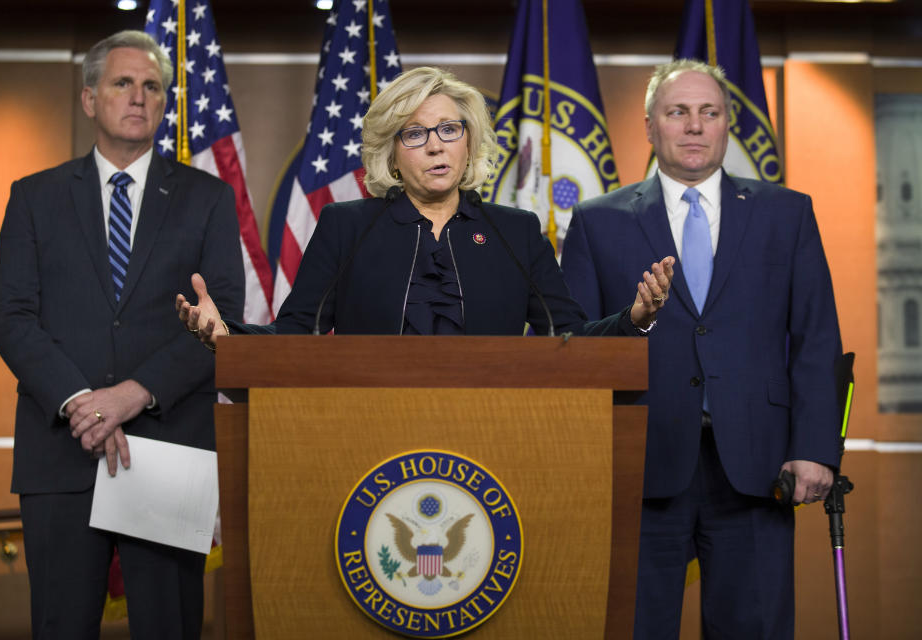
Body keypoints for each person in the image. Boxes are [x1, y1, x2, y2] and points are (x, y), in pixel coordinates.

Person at [561, 59, 843, 639]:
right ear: (649, 127)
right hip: (640, 465)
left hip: (760, 465)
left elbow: (816, 339)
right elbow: (573, 347)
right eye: (678, 112)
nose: (694, 126)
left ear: (726, 125)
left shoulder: (786, 213)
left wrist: (817, 448)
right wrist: (633, 322)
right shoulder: (597, 221)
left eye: (708, 113)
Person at [0, 30, 244, 639]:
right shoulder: (34, 198)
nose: (139, 97)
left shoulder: (208, 198)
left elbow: (222, 316)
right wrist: (81, 402)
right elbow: (11, 316)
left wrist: (133, 393)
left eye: (153, 87)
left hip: (168, 445)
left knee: (170, 628)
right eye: (123, 83)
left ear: (164, 103)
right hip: (62, 451)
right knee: (60, 625)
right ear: (89, 99)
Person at [177, 66, 673, 343]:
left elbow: (568, 338)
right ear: (391, 154)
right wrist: (229, 335)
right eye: (414, 134)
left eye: (449, 130)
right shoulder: (346, 226)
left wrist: (634, 319)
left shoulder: (515, 231)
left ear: (468, 142)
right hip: (369, 430)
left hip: (491, 431)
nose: (436, 146)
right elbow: (294, 335)